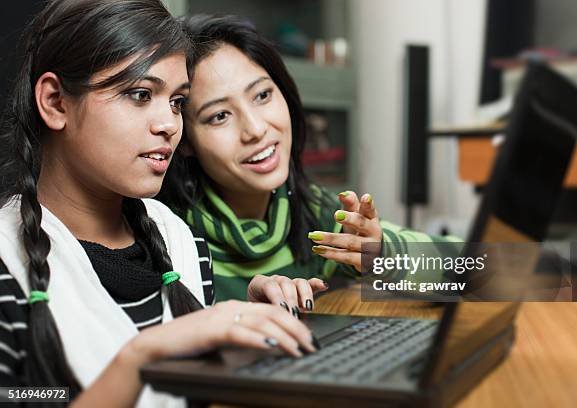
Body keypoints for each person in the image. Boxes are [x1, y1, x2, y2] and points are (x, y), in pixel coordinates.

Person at [0, 2, 317, 406]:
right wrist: (140, 357)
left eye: (176, 102)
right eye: (140, 94)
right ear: (56, 102)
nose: (168, 124)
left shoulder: (178, 238)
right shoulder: (8, 263)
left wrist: (241, 335)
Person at [159, 14, 459, 306]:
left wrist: (381, 255)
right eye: (219, 116)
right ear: (184, 140)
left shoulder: (317, 216)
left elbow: (485, 272)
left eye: (262, 95)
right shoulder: (165, 235)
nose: (256, 129)